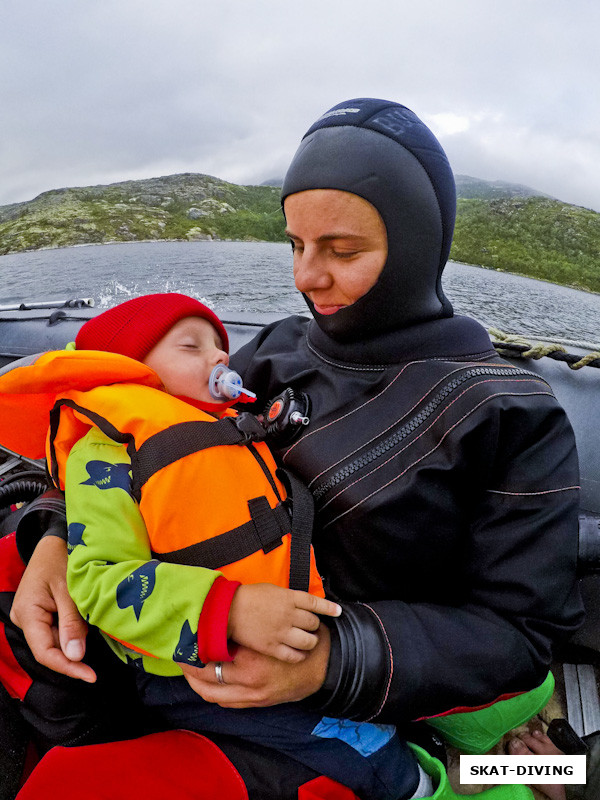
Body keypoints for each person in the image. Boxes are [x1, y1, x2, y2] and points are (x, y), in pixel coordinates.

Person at [8, 97, 584, 799]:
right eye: (295, 245)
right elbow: (148, 443)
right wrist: (56, 530)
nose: (306, 276)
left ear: (414, 245)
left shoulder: (510, 411)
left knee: (539, 772)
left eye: (342, 251)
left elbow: (520, 634)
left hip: (413, 692)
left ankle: (547, 765)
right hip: (226, 652)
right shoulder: (278, 350)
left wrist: (329, 664)